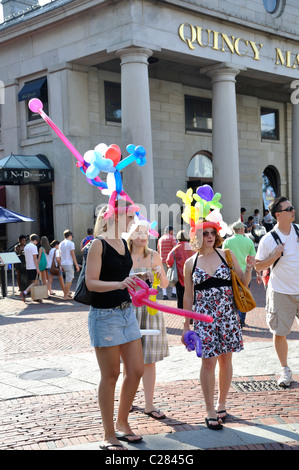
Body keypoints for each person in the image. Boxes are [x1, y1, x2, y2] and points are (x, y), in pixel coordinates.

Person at [182, 219, 255, 430]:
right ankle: (209, 410)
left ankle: (222, 402)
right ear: (197, 236)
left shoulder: (226, 255)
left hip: (228, 316)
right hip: (204, 319)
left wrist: (249, 268)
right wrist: (187, 324)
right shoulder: (191, 263)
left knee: (225, 361)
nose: (209, 237)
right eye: (204, 233)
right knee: (207, 363)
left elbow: (243, 281)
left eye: (212, 232)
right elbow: (188, 296)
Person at [85, 200, 144, 451]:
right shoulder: (97, 244)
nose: (133, 221)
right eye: (130, 216)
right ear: (115, 216)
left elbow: (124, 276)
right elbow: (91, 283)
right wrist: (120, 284)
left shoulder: (123, 243)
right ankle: (108, 433)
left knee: (137, 370)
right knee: (110, 376)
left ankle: (122, 422)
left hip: (126, 312)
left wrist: (136, 285)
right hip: (104, 315)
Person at [126, 220, 169, 420]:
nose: (143, 237)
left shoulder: (153, 256)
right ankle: (127, 402)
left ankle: (149, 405)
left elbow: (165, 284)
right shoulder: (123, 257)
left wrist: (160, 275)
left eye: (145, 232)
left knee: (149, 361)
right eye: (138, 232)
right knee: (128, 362)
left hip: (150, 311)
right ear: (131, 234)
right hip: (128, 312)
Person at [255, 197, 299, 388]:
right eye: (289, 209)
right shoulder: (268, 239)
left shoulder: (298, 231)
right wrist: (274, 256)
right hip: (281, 291)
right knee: (280, 332)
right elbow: (258, 266)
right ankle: (285, 370)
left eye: (293, 208)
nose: (293, 210)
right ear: (278, 215)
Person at [223, 221, 256, 327]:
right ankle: (242, 319)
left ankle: (234, 317)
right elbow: (253, 258)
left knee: (232, 296)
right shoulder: (249, 241)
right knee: (244, 295)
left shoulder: (227, 241)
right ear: (242, 229)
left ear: (233, 230)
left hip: (231, 273)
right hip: (246, 273)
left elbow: (223, 257)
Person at [166, 230, 195, 309]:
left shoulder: (175, 249)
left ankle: (182, 313)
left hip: (180, 275)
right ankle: (192, 310)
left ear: (178, 238)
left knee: (181, 295)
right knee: (192, 293)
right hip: (192, 274)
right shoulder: (192, 247)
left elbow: (169, 261)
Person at [59, 229, 80, 300]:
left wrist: (60, 265)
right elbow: (72, 254)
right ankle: (65, 295)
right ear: (70, 235)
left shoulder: (61, 243)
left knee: (69, 279)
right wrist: (76, 264)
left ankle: (67, 293)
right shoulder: (71, 243)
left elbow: (60, 254)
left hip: (63, 263)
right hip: (69, 263)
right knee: (69, 280)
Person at [157, 225, 177, 299]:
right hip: (171, 260)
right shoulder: (172, 238)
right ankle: (173, 293)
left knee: (163, 277)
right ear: (170, 231)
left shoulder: (160, 239)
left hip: (162, 260)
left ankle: (164, 295)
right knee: (173, 276)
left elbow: (158, 250)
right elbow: (175, 249)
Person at [21, 234, 40, 302]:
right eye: (37, 242)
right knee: (35, 282)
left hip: (28, 266)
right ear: (35, 240)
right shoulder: (33, 247)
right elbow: (35, 258)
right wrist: (37, 268)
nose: (36, 243)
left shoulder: (26, 247)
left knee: (34, 282)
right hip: (33, 266)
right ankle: (25, 292)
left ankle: (35, 296)